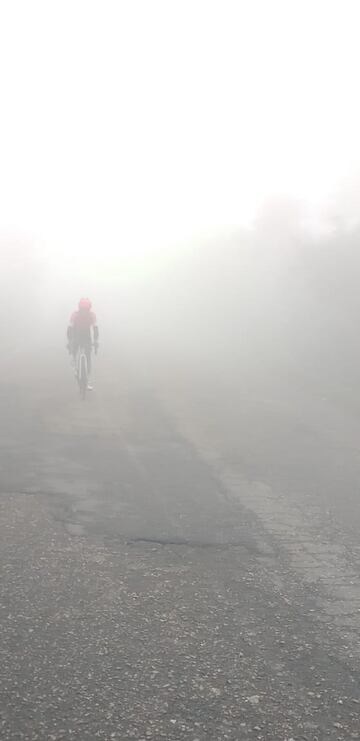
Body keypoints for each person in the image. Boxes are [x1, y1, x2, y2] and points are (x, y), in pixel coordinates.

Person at [67, 298, 99, 390]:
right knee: (88, 358)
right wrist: (96, 341)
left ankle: (73, 361)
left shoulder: (75, 314)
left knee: (75, 350)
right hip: (86, 338)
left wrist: (69, 341)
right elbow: (95, 328)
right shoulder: (91, 315)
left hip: (77, 337)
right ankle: (88, 380)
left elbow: (70, 328)